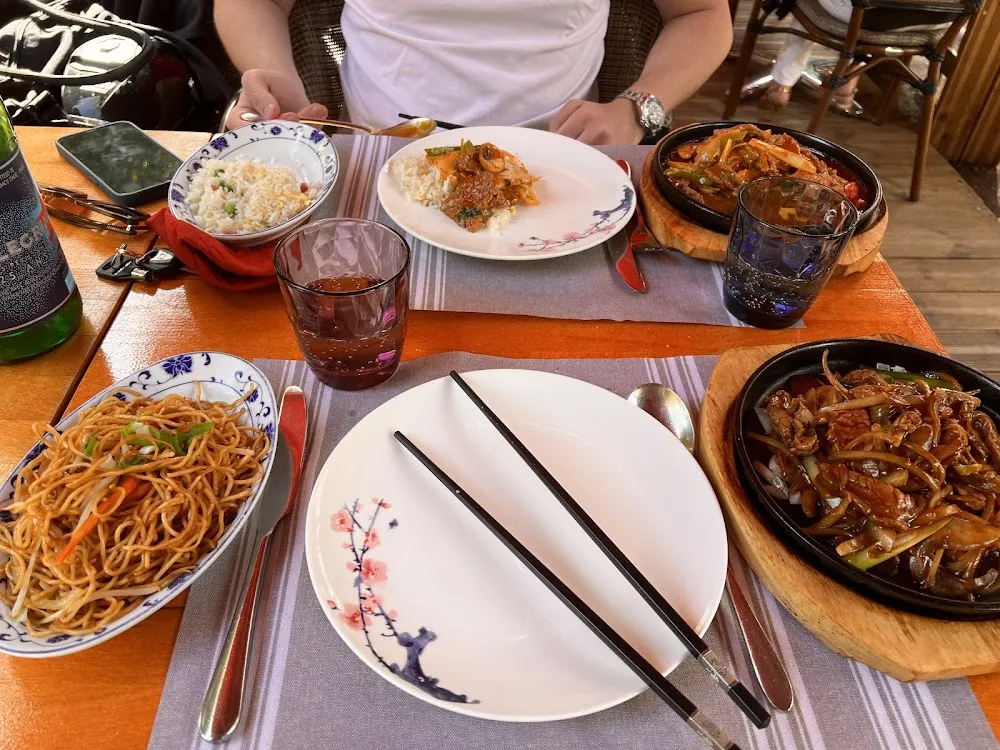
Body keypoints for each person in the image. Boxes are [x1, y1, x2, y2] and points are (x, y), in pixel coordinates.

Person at [215, 0, 732, 145]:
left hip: (567, 156)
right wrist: (274, 74)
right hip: (376, 153)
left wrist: (637, 109)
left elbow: (703, 14)